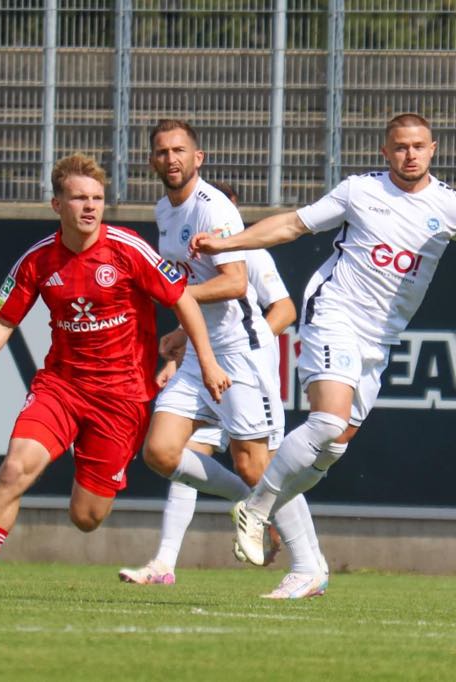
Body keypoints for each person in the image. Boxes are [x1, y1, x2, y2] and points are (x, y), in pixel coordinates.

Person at [191, 113, 456, 598]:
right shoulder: (360, 191)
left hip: (378, 341)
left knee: (332, 450)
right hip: (334, 313)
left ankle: (308, 568)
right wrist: (227, 241)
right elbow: (293, 226)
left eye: (419, 146)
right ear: (385, 152)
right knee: (325, 422)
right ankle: (255, 509)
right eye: (400, 146)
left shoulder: (453, 207)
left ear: (433, 149)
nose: (410, 154)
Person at [0, 153, 230, 598]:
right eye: (79, 198)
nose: (90, 206)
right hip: (61, 387)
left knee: (87, 518)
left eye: (97, 198)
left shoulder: (128, 249)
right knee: (15, 468)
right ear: (58, 205)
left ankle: (86, 455)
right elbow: (3, 319)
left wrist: (207, 361)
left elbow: (183, 299)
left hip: (121, 399)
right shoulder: (38, 260)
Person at [135, 122, 325, 597]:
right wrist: (184, 331)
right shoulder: (164, 209)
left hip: (241, 353)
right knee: (160, 452)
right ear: (152, 161)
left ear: (198, 158)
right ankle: (251, 502)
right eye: (162, 152)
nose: (171, 158)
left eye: (180, 150)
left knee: (255, 465)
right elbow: (198, 293)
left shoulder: (213, 207)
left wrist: (178, 298)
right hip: (203, 353)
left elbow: (235, 285)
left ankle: (309, 566)